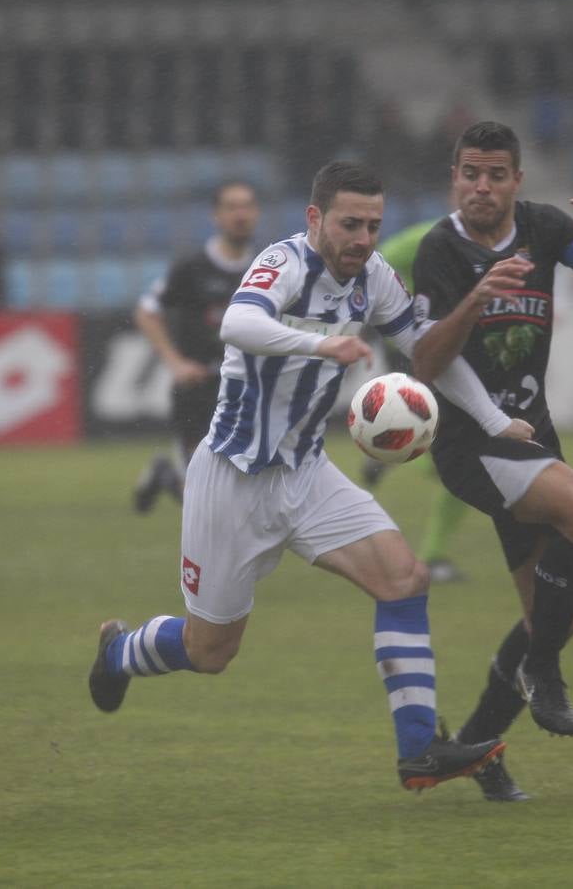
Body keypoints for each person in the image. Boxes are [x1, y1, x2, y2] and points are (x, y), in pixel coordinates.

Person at [89, 161, 517, 791]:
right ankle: (119, 653)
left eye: (373, 225)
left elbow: (426, 351)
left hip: (308, 473)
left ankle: (420, 750)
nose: (363, 239)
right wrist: (322, 345)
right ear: (316, 218)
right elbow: (239, 322)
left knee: (404, 578)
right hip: (232, 477)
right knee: (212, 652)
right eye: (349, 224)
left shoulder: (375, 279)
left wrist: (492, 418)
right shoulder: (284, 262)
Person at [410, 122, 573, 800]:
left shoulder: (543, 229)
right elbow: (425, 363)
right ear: (454, 177)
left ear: (517, 180)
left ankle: (469, 752)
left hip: (529, 436)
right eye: (470, 174)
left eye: (496, 175)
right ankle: (543, 672)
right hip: (471, 446)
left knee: (556, 616)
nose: (481, 187)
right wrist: (475, 300)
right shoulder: (440, 249)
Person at [132, 181, 260, 513]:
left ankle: (168, 474)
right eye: (232, 207)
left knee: (237, 493)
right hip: (197, 391)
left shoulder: (265, 266)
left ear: (256, 213)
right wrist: (175, 363)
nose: (240, 214)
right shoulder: (192, 268)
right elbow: (147, 312)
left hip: (246, 394)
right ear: (216, 216)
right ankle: (169, 474)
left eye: (246, 206)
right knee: (201, 499)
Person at [363, 218, 475, 585]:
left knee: (453, 455)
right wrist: (406, 312)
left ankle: (390, 452)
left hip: (452, 349)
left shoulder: (489, 248)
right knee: (460, 458)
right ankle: (432, 556)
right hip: (416, 347)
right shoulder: (430, 236)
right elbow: (381, 262)